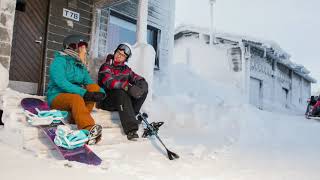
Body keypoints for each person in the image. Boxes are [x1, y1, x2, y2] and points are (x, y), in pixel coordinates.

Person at [46, 34, 105, 144]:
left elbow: (89, 82)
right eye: (82, 47)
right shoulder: (59, 61)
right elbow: (61, 82)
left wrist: (100, 93)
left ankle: (76, 118)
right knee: (77, 98)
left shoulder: (80, 66)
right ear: (73, 47)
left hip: (75, 96)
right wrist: (83, 93)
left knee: (93, 90)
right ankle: (88, 129)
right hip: (56, 96)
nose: (85, 51)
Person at [98, 43, 148, 141]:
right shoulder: (106, 66)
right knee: (121, 91)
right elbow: (109, 82)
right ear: (115, 52)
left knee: (142, 90)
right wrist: (126, 86)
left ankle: (132, 114)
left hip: (121, 101)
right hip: (106, 100)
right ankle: (131, 130)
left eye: (123, 55)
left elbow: (137, 78)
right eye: (118, 52)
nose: (119, 56)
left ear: (126, 59)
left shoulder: (126, 70)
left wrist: (143, 84)